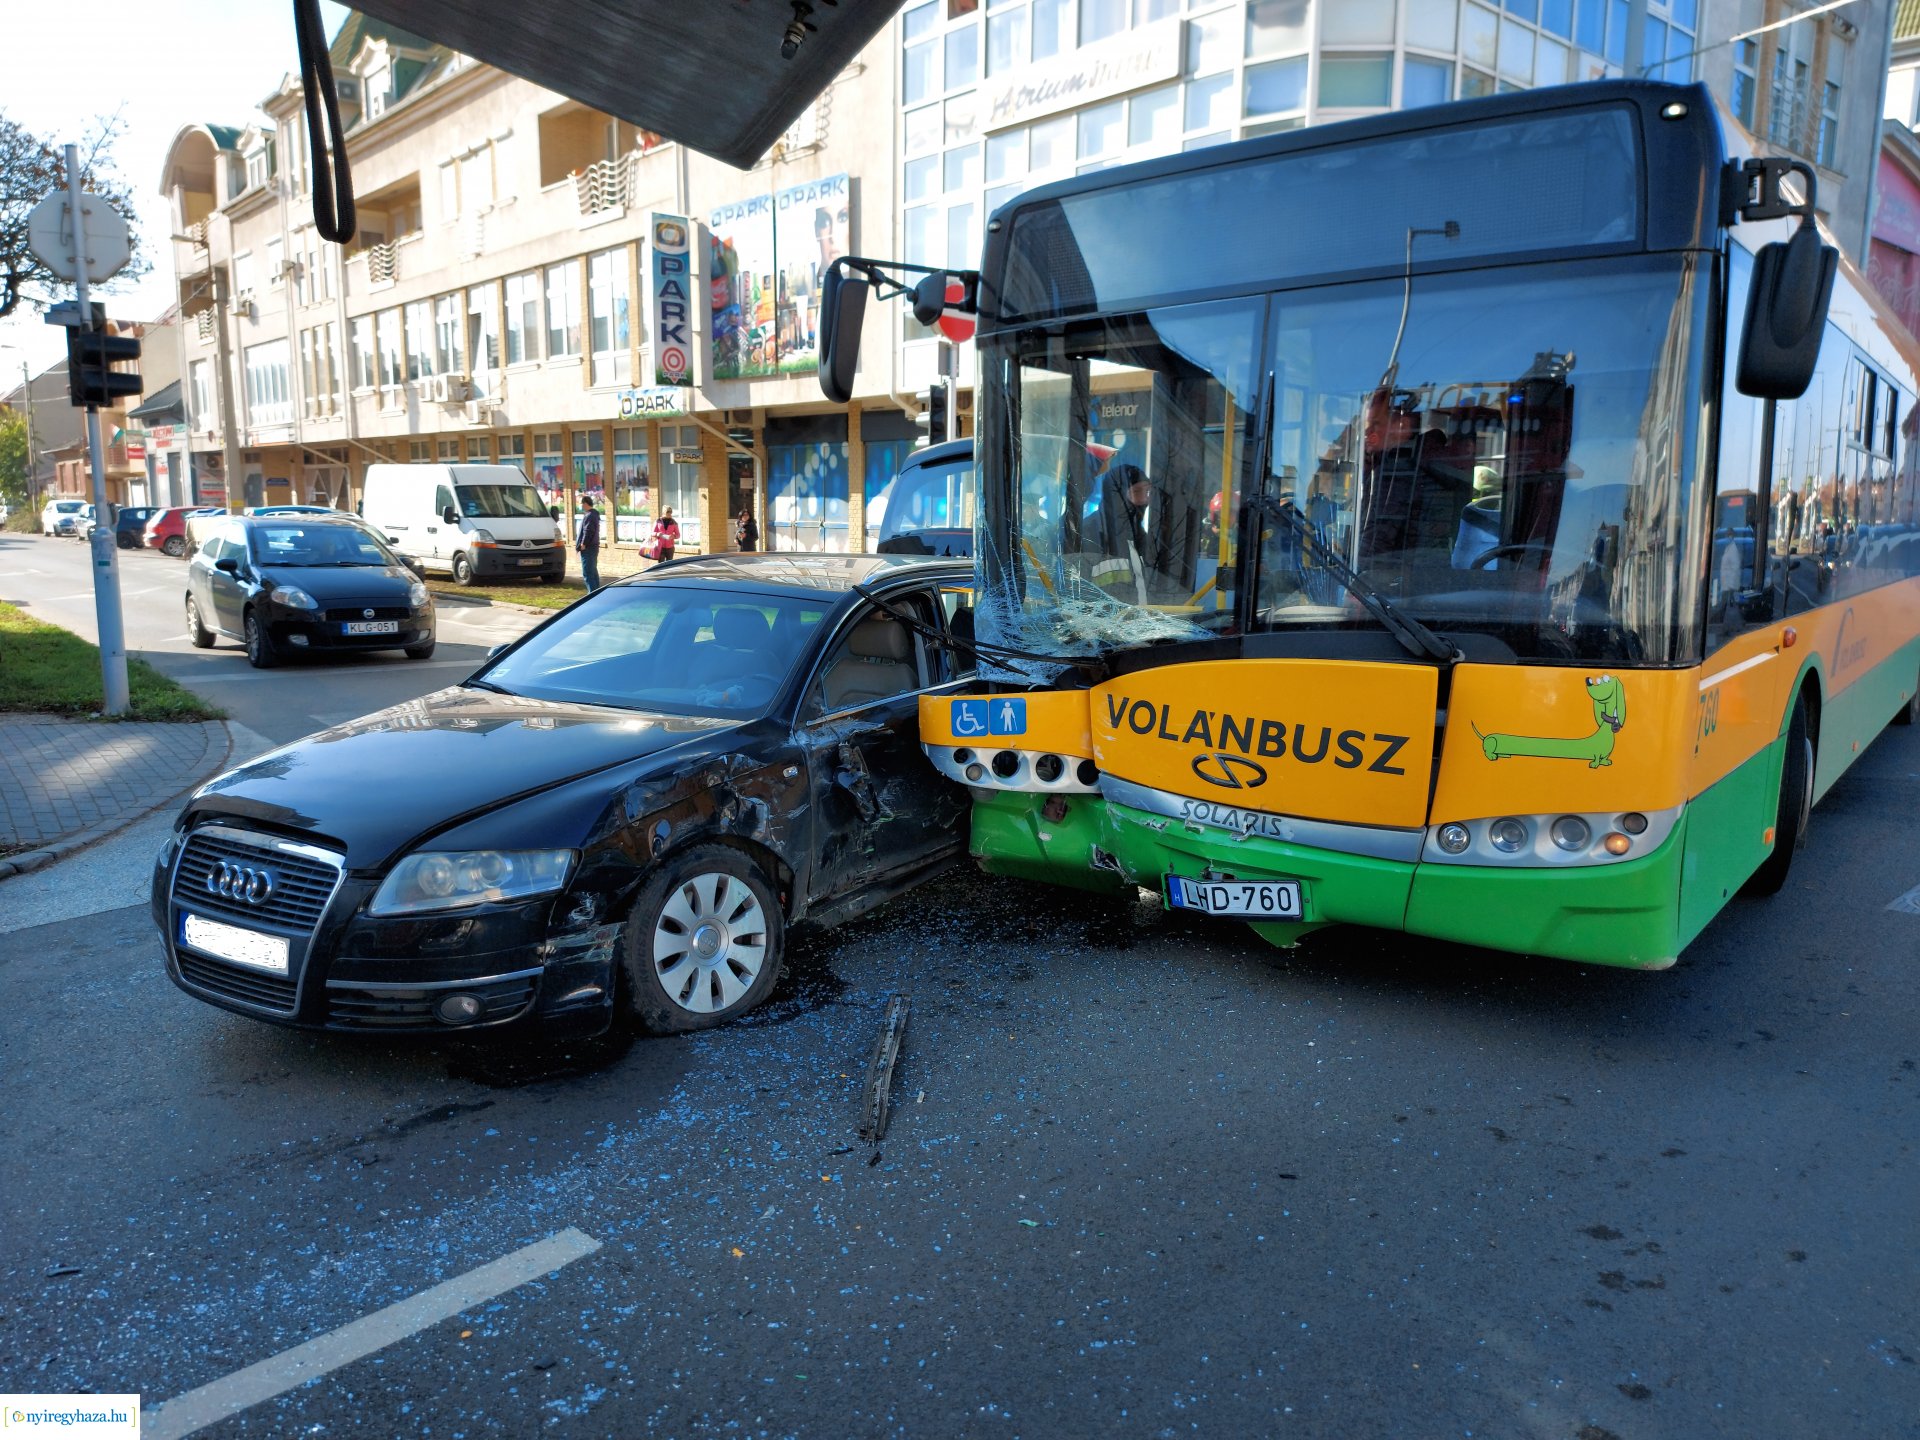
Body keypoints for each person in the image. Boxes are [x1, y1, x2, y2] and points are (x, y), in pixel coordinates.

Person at [575, 494, 602, 591]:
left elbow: (588, 531)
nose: (580, 506)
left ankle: (592, 594)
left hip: (588, 548)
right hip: (593, 547)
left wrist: (583, 544)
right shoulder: (594, 514)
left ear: (585, 503)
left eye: (581, 504)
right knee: (593, 571)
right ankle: (596, 593)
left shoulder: (589, 515)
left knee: (588, 573)